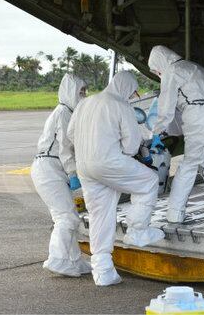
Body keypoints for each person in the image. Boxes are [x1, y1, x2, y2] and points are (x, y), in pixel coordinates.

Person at [67, 71, 164, 286]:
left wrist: (89, 146)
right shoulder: (121, 105)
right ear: (126, 88)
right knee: (148, 182)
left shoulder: (86, 102)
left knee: (100, 214)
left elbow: (70, 133)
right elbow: (131, 145)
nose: (131, 96)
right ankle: (137, 231)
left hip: (85, 165)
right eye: (131, 92)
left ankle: (103, 272)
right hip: (108, 161)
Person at [148, 45, 204, 223]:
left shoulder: (172, 71)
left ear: (160, 63)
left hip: (200, 115)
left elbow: (166, 107)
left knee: (189, 164)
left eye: (157, 71)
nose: (158, 75)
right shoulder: (195, 67)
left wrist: (156, 133)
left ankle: (175, 213)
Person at [31, 73, 91, 277]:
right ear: (69, 92)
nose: (83, 95)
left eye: (84, 91)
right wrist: (73, 173)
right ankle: (57, 260)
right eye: (80, 92)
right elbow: (65, 148)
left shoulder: (69, 113)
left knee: (69, 216)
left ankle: (74, 260)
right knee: (66, 217)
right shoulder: (64, 112)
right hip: (49, 168)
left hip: (53, 169)